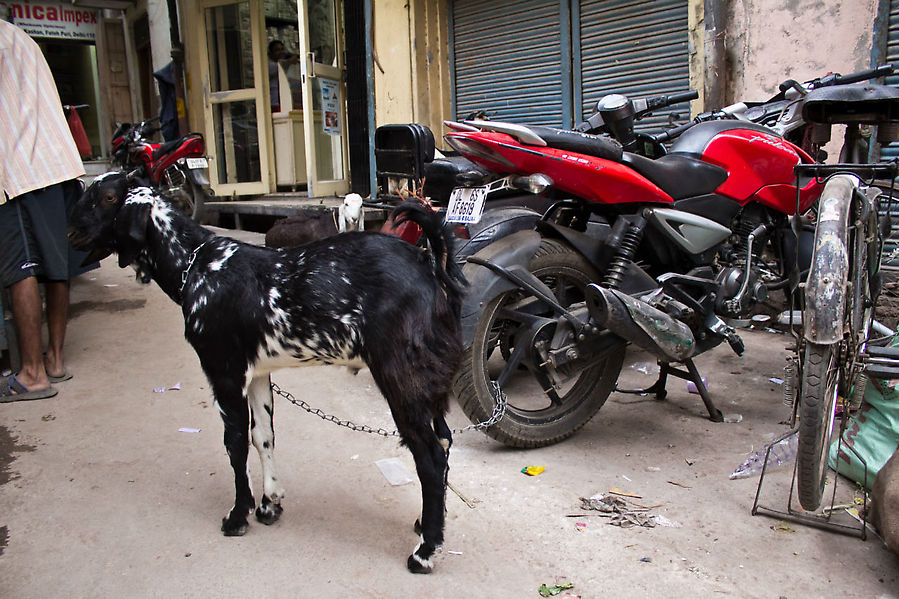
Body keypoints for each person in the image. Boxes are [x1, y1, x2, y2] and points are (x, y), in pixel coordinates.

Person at [0, 19, 90, 402]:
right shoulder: (19, 37)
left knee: (21, 267)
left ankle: (33, 374)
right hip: (56, 163)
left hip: (17, 167)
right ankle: (54, 359)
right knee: (57, 265)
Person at [268, 39, 299, 112]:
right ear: (271, 53)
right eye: (277, 50)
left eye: (282, 49)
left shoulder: (286, 65)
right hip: (275, 104)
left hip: (287, 102)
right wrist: (289, 61)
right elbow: (280, 66)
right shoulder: (269, 66)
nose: (281, 52)